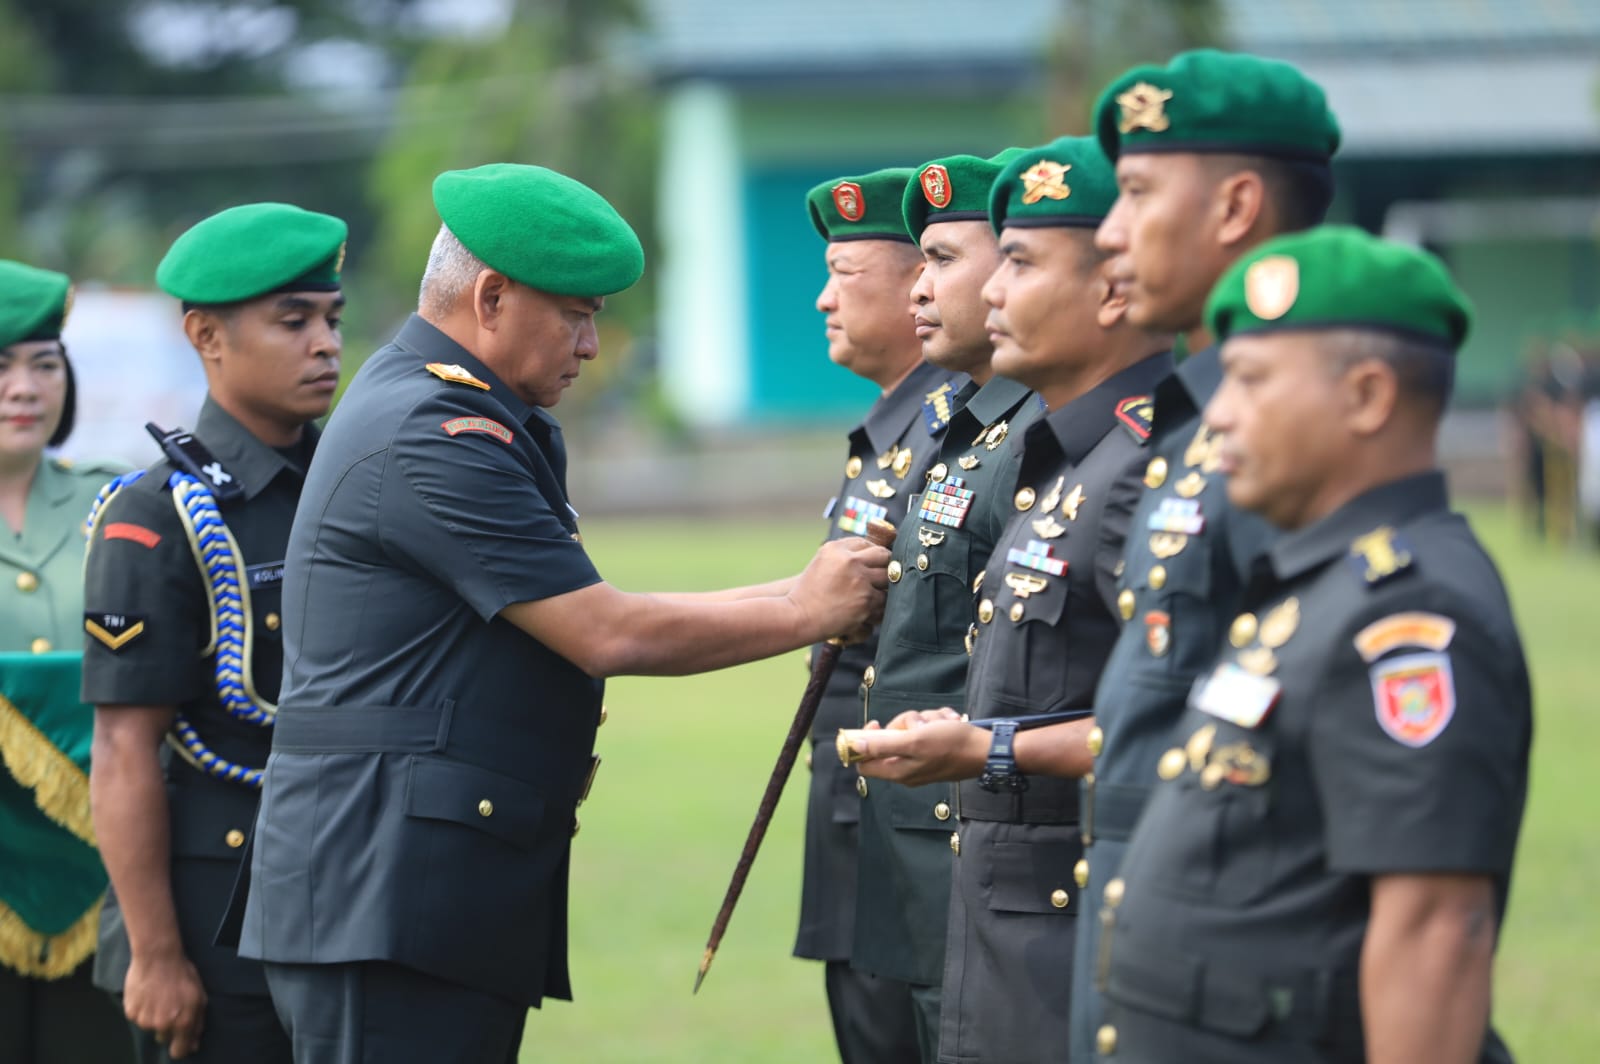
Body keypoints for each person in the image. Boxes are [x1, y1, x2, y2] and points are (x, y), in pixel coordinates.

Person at [234, 163, 890, 1064]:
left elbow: (597, 606)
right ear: (492, 297)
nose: (590, 345)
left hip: (414, 888)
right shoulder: (433, 434)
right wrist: (806, 611)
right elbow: (604, 630)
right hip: (379, 897)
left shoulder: (469, 411)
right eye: (574, 314)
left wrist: (803, 592)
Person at [1097, 226, 1530, 1063]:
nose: (1216, 413)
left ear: (1368, 397)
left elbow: (1435, 934)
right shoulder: (1319, 585)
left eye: (1251, 382)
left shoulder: (1411, 612)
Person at [849, 135, 1173, 1064]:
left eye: (1014, 262)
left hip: (1063, 912)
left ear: (1113, 289)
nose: (988, 292)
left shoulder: (1133, 463)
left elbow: (1171, 724)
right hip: (990, 904)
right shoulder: (1059, 456)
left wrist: (985, 747)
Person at [84, 202, 349, 1063]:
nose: (325, 343)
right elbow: (125, 751)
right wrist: (157, 957)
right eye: (293, 320)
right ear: (206, 335)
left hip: (349, 897)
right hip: (217, 918)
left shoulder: (353, 485)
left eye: (333, 318)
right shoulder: (155, 517)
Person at [846, 149, 1036, 1063]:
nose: (916, 287)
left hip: (982, 850)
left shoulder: (1038, 439)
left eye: (945, 261)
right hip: (921, 847)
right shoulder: (960, 427)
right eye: (915, 262)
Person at [795, 166, 960, 1064]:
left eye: (845, 276)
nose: (823, 299)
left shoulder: (954, 434)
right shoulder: (892, 431)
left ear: (918, 287)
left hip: (904, 816)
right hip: (855, 815)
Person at [0, 260, 133, 1064]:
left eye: (44, 364)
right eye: (1, 368)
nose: (24, 387)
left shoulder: (120, 503)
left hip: (109, 882)